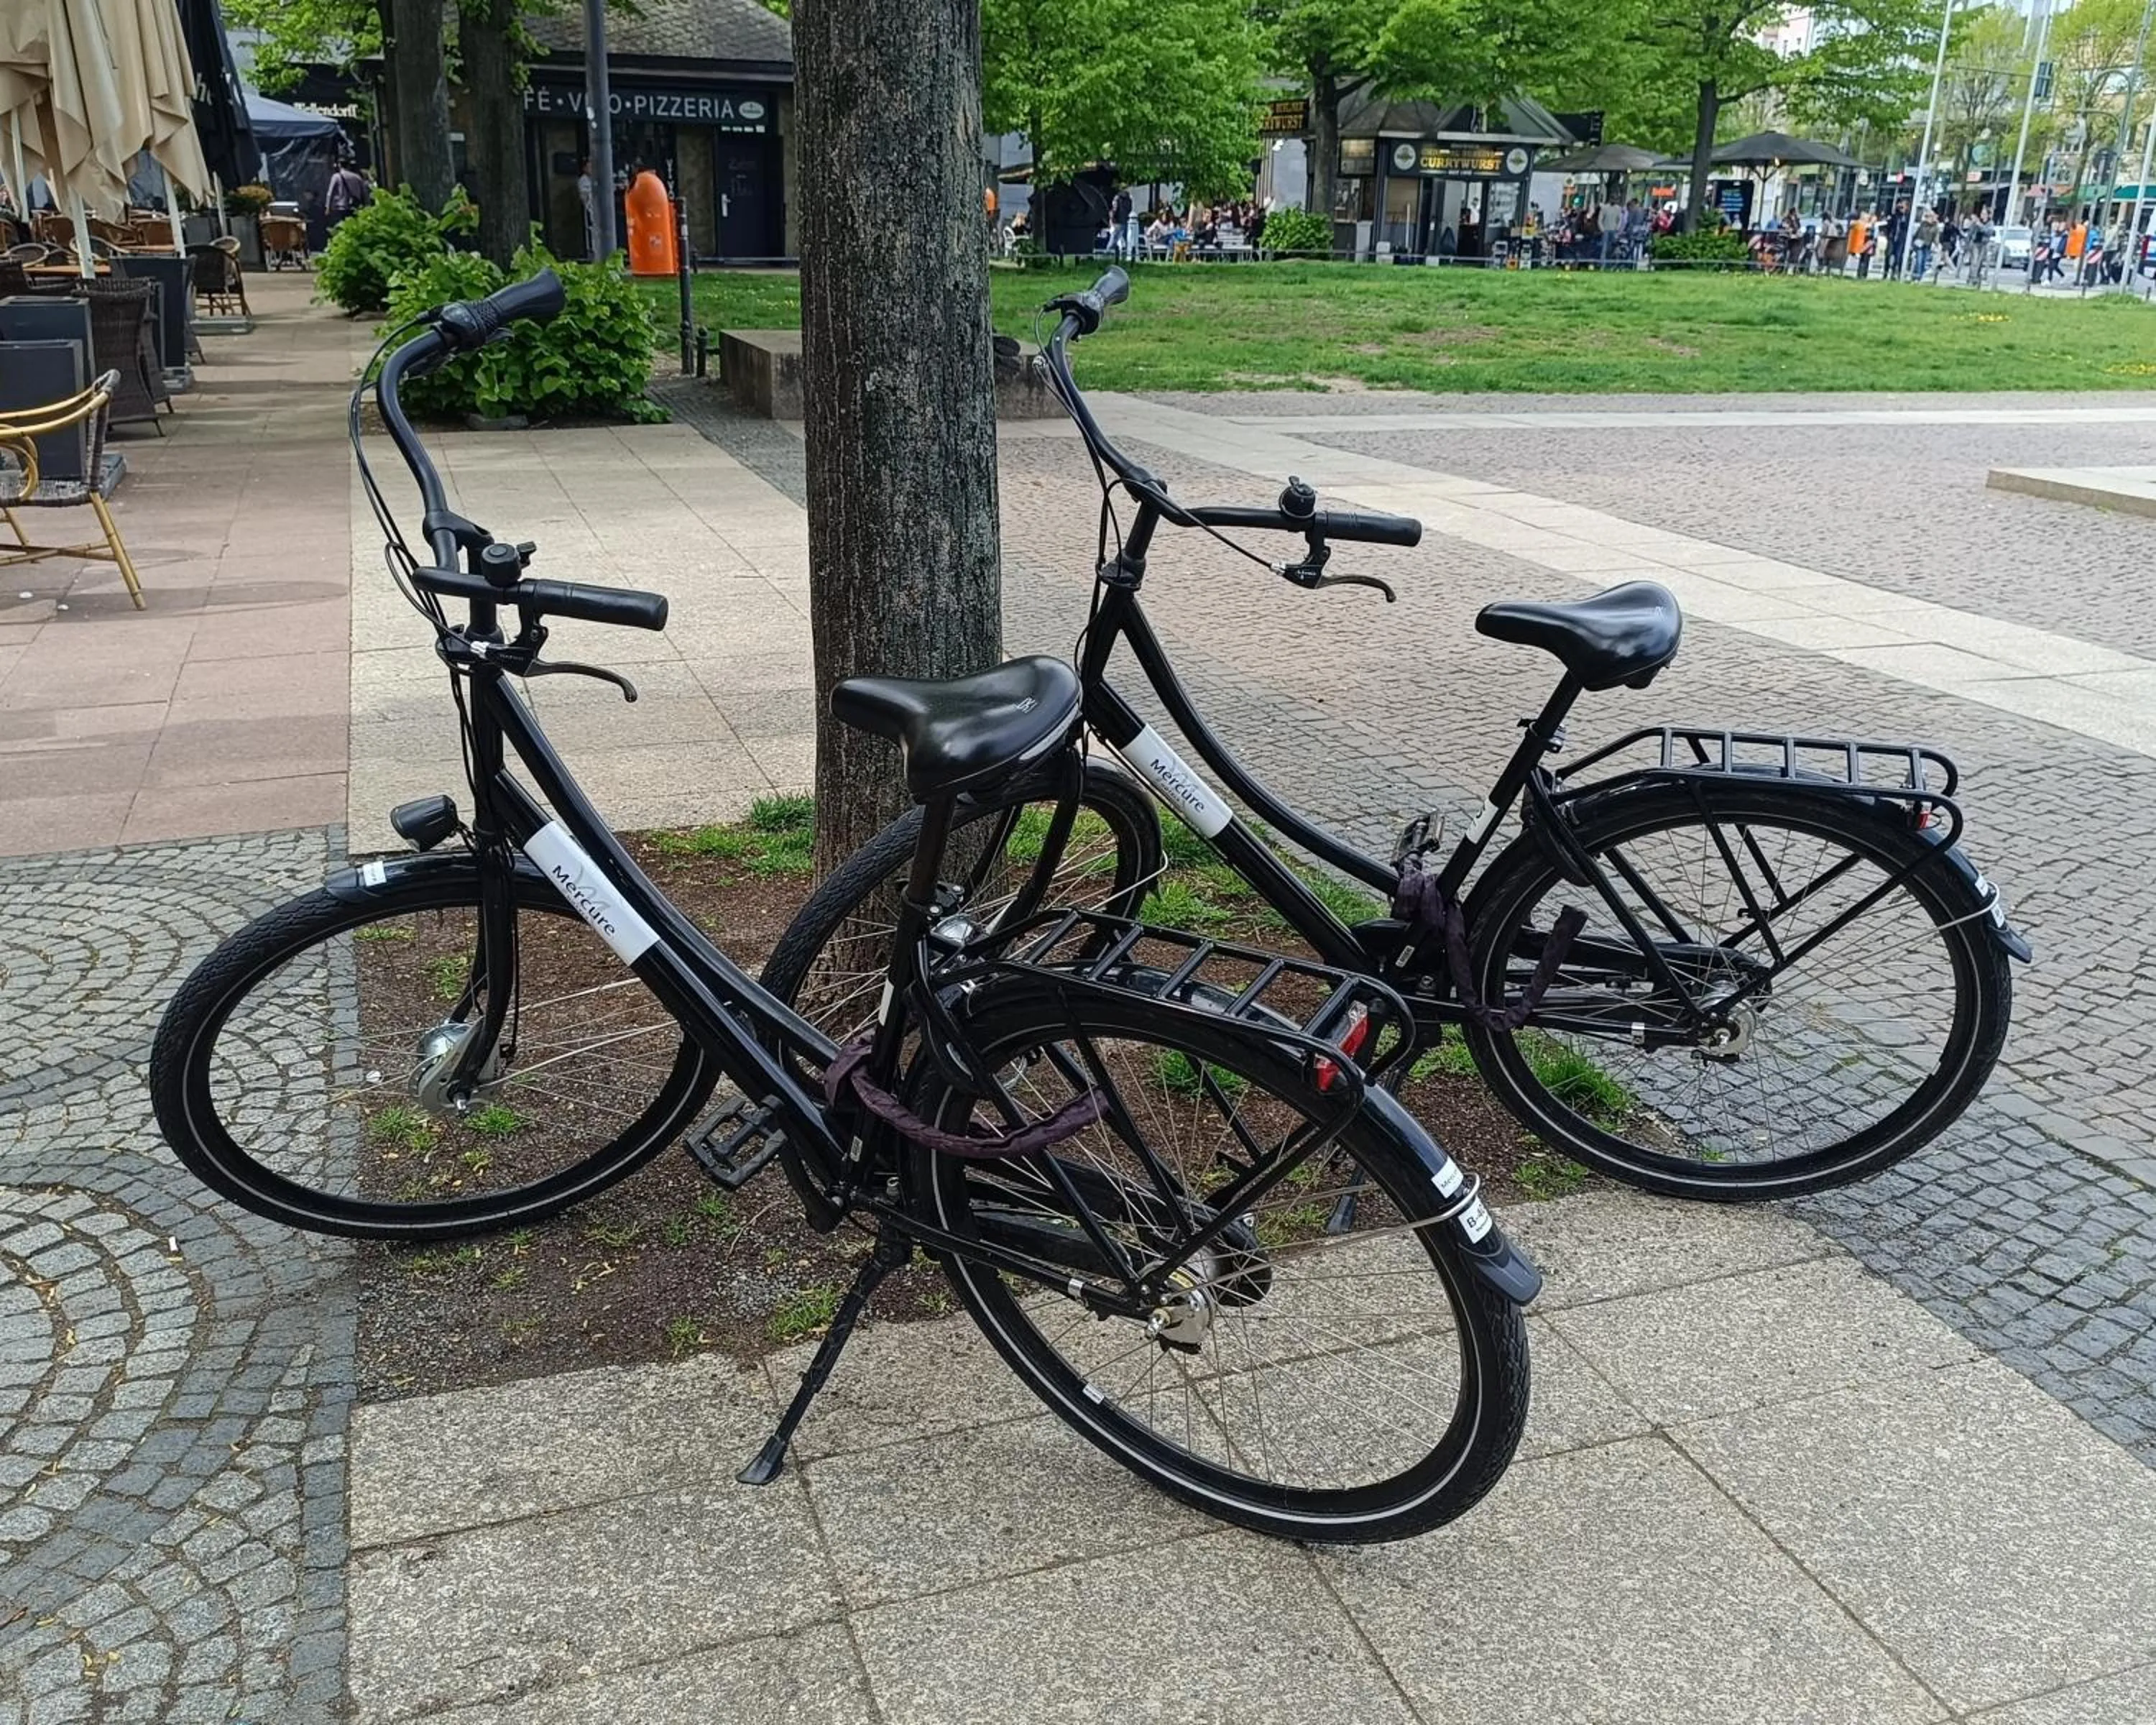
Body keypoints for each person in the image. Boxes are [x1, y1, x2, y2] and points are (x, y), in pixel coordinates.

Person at [326, 160, 370, 235]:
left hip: (341, 208)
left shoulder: (336, 177)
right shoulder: (357, 177)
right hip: (355, 208)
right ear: (349, 166)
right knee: (355, 229)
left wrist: (328, 207)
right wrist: (367, 207)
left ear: (339, 165)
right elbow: (364, 194)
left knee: (341, 229)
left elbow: (330, 193)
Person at [1911, 207, 1939, 281]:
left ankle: (1919, 275)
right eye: (1928, 217)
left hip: (1927, 246)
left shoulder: (1935, 227)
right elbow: (1918, 234)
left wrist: (1937, 245)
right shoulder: (1923, 224)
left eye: (1930, 217)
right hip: (1920, 245)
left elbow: (1936, 237)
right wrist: (1914, 242)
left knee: (1924, 261)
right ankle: (1917, 276)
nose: (1929, 218)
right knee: (1919, 260)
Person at [1110, 185, 1134, 261]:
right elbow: (1130, 209)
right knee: (1126, 240)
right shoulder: (1129, 198)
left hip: (1117, 221)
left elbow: (1114, 210)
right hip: (1126, 221)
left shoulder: (1117, 198)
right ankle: (1125, 256)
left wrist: (1111, 219)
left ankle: (1108, 256)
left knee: (1114, 240)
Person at [1849, 208, 1873, 277]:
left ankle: (1862, 274)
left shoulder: (1867, 225)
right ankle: (1861, 274)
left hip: (1866, 244)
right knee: (1864, 259)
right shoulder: (1860, 224)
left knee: (1865, 259)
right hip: (1863, 245)